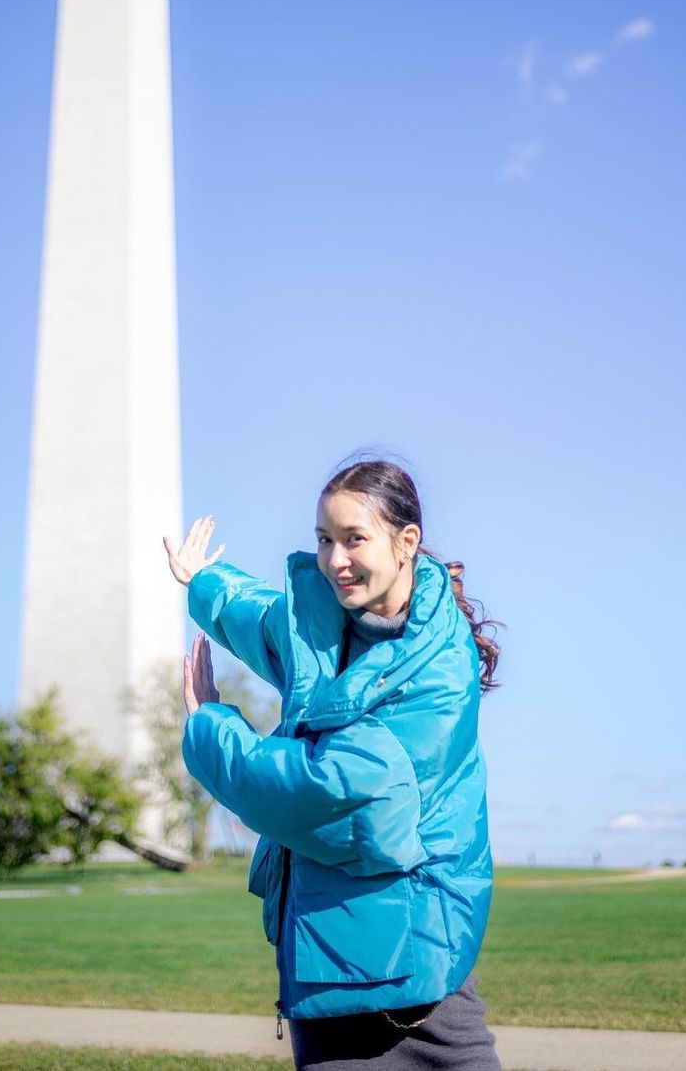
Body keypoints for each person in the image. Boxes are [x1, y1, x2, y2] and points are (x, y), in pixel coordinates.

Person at [164, 458, 502, 1071]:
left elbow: (329, 792)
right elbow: (272, 625)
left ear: (407, 542)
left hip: (405, 970)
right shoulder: (339, 619)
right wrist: (203, 583)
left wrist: (213, 727)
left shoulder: (437, 672)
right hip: (333, 956)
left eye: (354, 539)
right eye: (324, 539)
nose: (335, 559)